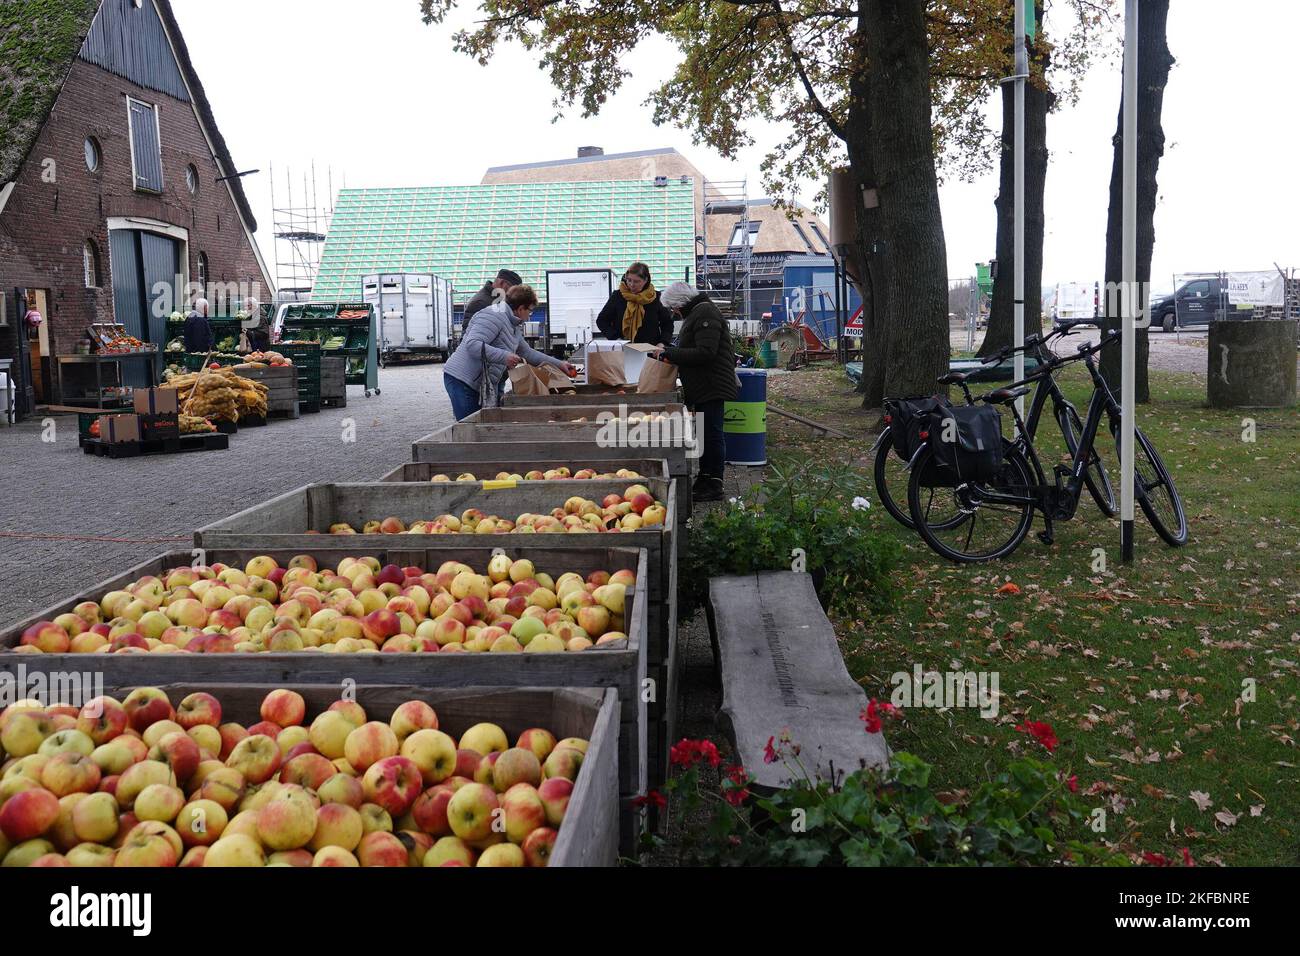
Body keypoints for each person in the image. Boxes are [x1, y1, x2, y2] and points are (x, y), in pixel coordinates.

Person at [442, 285, 575, 421]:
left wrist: (560, 364)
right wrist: (504, 356)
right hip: (463, 380)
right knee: (470, 427)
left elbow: (528, 353)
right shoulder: (493, 315)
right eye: (530, 310)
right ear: (521, 308)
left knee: (481, 424)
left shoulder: (513, 325)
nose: (530, 315)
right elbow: (473, 344)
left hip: (479, 383)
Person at [655, 282, 738, 502]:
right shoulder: (699, 312)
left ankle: (714, 483)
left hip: (712, 385)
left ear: (680, 303)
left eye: (673, 308)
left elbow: (705, 352)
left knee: (711, 435)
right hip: (704, 386)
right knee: (704, 435)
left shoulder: (704, 312)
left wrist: (670, 354)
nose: (674, 312)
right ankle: (705, 477)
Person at [595, 262, 672, 345]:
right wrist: (616, 338)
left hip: (650, 350)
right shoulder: (617, 296)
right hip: (623, 350)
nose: (632, 284)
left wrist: (662, 342)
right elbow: (601, 320)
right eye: (629, 280)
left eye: (636, 281)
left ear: (646, 280)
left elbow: (667, 323)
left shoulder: (657, 298)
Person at [462, 269, 522, 334]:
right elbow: (469, 338)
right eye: (512, 290)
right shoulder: (479, 303)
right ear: (502, 283)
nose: (513, 294)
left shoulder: (500, 300)